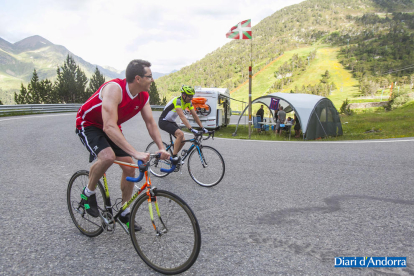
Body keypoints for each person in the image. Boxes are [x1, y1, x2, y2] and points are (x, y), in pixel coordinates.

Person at [75, 59, 170, 231]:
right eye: (149, 76)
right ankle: (88, 193)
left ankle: (125, 212)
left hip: (112, 127)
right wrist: (136, 152)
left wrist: (161, 147)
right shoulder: (114, 89)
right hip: (89, 124)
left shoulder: (143, 96)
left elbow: (150, 123)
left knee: (129, 168)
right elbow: (108, 126)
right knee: (108, 157)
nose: (153, 80)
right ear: (138, 78)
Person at [159, 85, 209, 163]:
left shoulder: (188, 102)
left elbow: (195, 115)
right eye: (190, 96)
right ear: (183, 95)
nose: (191, 98)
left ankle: (172, 157)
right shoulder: (178, 101)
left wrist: (202, 127)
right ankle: (175, 158)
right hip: (163, 121)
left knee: (183, 140)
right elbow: (182, 116)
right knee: (180, 134)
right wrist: (191, 129)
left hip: (171, 121)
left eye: (192, 96)